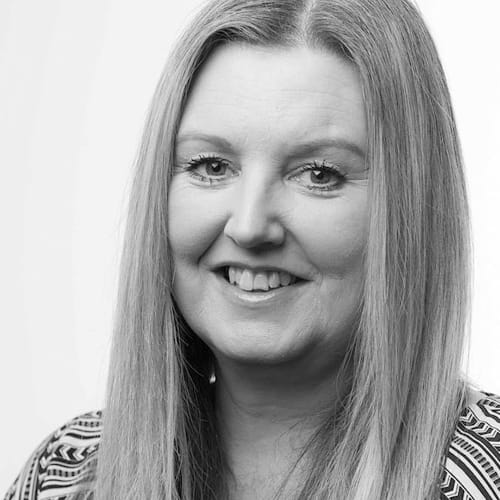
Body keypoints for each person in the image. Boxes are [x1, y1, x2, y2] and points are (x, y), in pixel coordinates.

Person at [4, 0, 500, 499]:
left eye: (319, 174)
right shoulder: (62, 478)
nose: (248, 226)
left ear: (412, 206)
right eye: (212, 166)